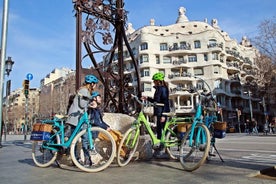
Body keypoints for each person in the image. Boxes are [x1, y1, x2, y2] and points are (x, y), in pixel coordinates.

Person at [64, 74, 98, 166]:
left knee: (85, 138)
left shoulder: (85, 91)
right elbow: (82, 104)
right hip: (76, 118)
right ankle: (77, 159)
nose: (95, 86)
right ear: (91, 84)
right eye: (95, 84)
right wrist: (91, 102)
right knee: (75, 139)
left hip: (80, 118)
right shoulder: (84, 90)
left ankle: (87, 160)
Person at [142, 72, 170, 156]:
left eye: (154, 81)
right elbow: (156, 101)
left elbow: (165, 102)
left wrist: (164, 115)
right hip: (158, 112)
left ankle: (165, 150)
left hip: (162, 112)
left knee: (163, 131)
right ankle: (159, 148)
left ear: (158, 81)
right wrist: (147, 98)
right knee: (159, 131)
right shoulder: (158, 89)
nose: (153, 82)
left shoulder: (163, 89)